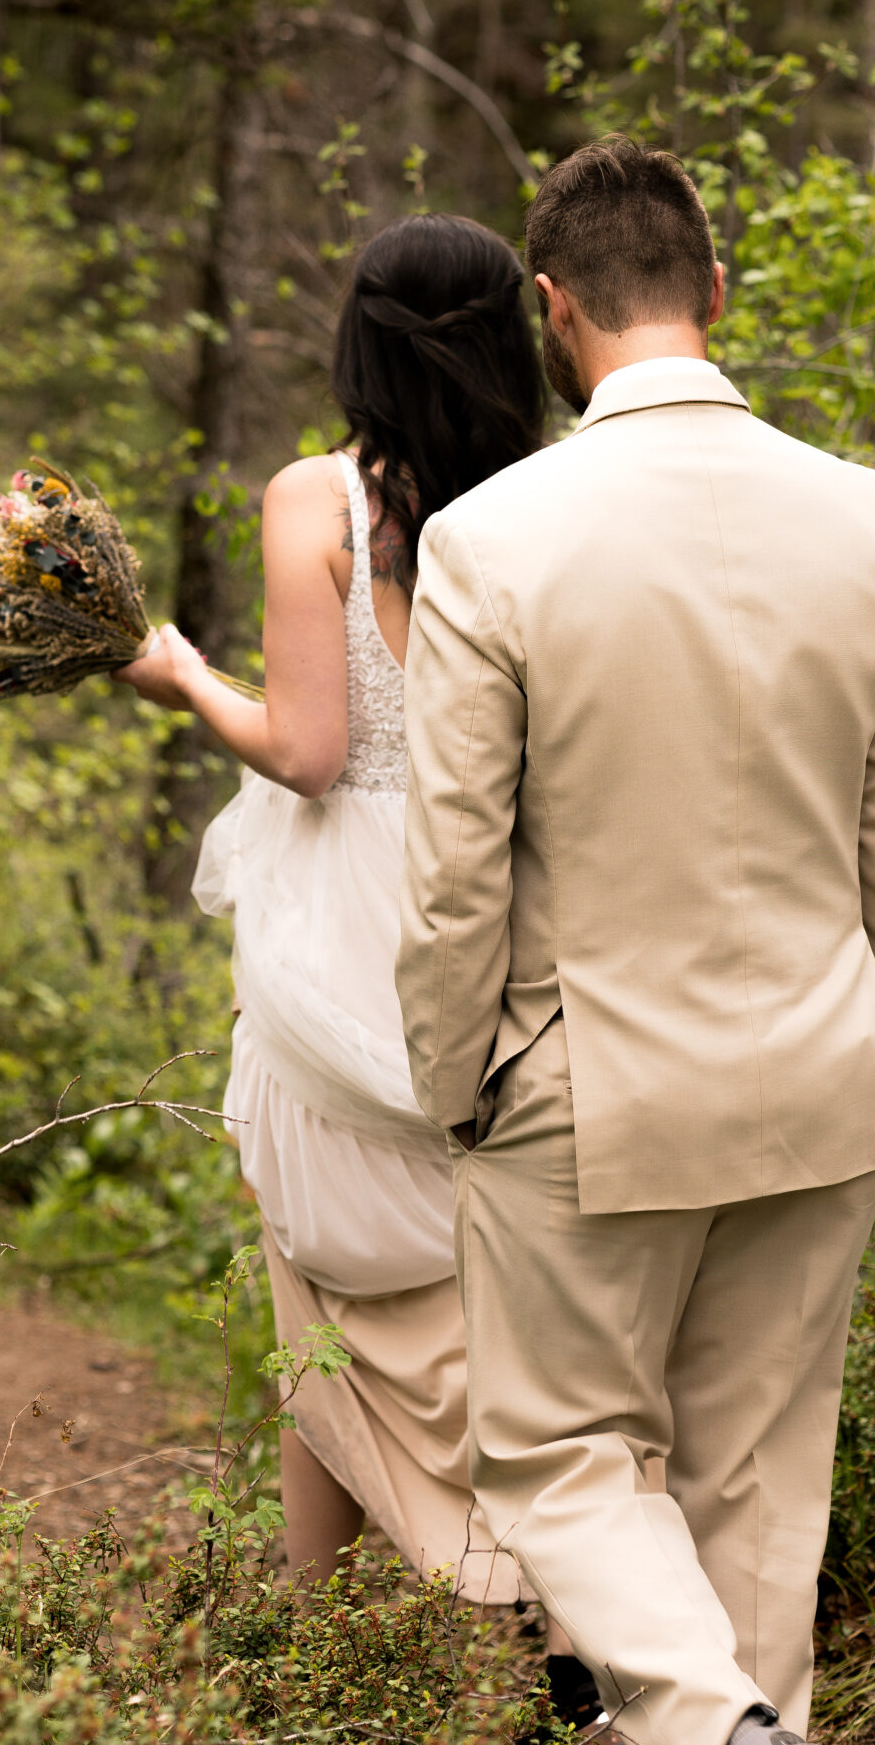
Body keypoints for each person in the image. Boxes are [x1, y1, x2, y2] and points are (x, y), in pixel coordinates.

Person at [396, 137, 875, 1745]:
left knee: (559, 1460)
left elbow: (452, 872)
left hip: (585, 1077)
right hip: (823, 1069)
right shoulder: (870, 517)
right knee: (762, 1475)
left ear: (553, 313)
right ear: (718, 290)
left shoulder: (490, 543)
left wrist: (453, 1079)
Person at [117, 212, 550, 1603]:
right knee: (514, 1286)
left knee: (314, 1276)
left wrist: (181, 674)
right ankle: (575, 1602)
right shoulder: (552, 503)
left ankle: (321, 1618)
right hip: (498, 909)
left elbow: (304, 754)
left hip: (344, 926)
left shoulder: (320, 500)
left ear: (358, 335)